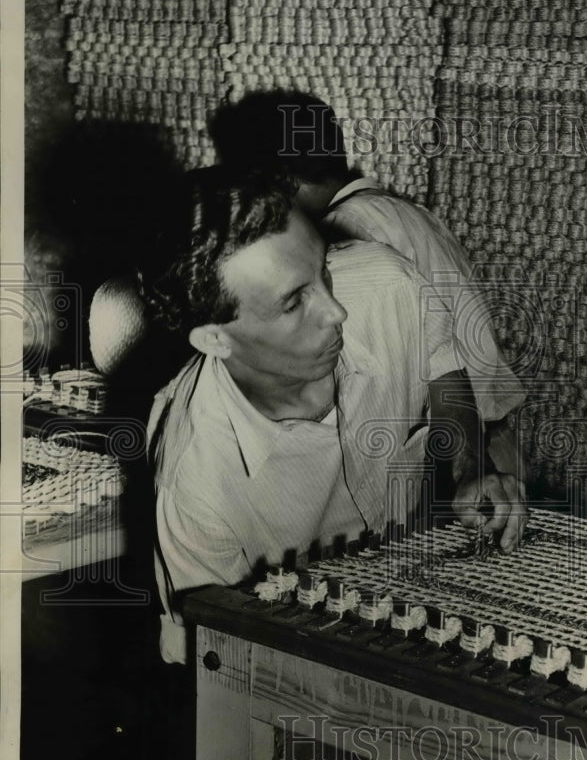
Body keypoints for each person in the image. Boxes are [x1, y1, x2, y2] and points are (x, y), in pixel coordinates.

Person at [142, 168, 527, 665]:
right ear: (215, 338)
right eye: (294, 303)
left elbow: (446, 381)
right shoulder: (194, 488)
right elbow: (215, 664)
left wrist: (470, 470)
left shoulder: (388, 285)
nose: (336, 310)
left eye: (322, 271)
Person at [209, 90, 526, 477]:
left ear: (279, 181)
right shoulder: (405, 212)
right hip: (488, 444)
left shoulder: (349, 230)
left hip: (452, 456)